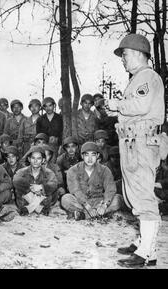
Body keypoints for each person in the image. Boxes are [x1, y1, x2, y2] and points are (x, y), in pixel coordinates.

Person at [105, 34, 166, 267]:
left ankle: (147, 252)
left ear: (140, 53)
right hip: (132, 141)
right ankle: (144, 242)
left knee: (143, 196)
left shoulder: (147, 76)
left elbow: (141, 105)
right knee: (134, 196)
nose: (123, 59)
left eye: (126, 54)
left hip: (141, 141)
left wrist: (116, 105)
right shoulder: (137, 78)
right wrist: (119, 112)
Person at [62, 142, 123, 221]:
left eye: (93, 155)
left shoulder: (105, 170)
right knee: (65, 199)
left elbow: (110, 188)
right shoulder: (73, 170)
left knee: (118, 199)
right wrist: (87, 207)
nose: (90, 158)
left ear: (97, 156)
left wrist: (104, 205)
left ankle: (84, 215)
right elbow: (75, 190)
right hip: (81, 202)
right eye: (87, 155)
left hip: (99, 201)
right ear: (82, 156)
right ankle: (99, 214)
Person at [13, 145, 58, 216]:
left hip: (42, 199)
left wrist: (41, 187)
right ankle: (39, 208)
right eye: (33, 158)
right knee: (19, 188)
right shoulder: (22, 171)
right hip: (27, 200)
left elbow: (54, 184)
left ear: (43, 160)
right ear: (29, 159)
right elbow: (16, 180)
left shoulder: (48, 172)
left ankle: (29, 208)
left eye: (39, 158)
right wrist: (31, 188)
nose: (36, 161)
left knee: (52, 191)